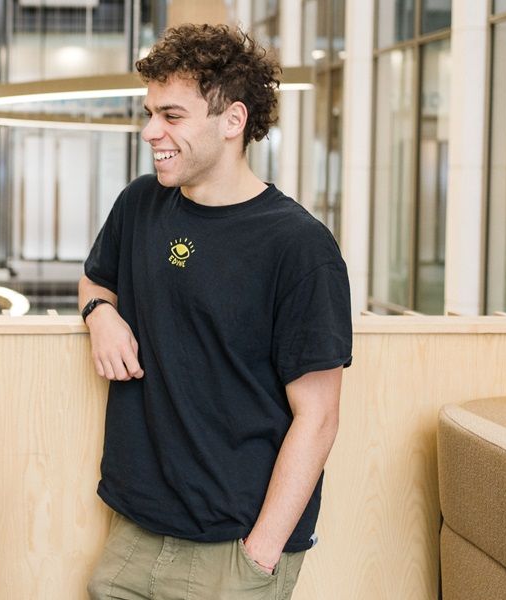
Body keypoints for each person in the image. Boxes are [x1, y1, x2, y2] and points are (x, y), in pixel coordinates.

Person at [81, 24, 352, 600]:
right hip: (134, 529)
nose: (151, 131)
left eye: (172, 116)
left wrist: (258, 557)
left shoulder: (299, 246)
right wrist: (101, 313)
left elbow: (320, 417)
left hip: (235, 549)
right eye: (150, 112)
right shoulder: (140, 205)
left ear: (232, 121)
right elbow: (94, 278)